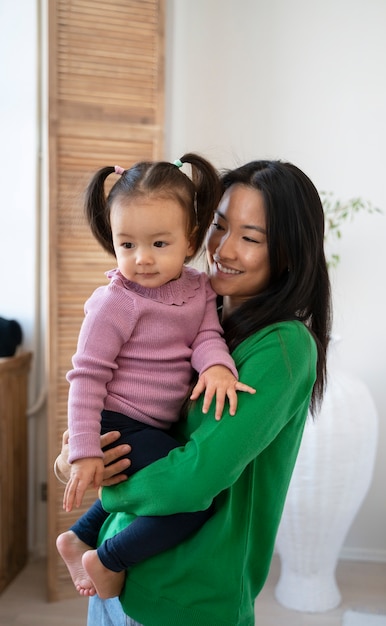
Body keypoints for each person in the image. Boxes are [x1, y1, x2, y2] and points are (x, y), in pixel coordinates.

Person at [55, 157, 332, 626]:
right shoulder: (198, 313)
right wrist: (72, 462)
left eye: (250, 237)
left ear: (288, 250)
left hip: (183, 600)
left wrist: (110, 485)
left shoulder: (283, 346)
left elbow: (193, 481)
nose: (223, 248)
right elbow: (100, 388)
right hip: (117, 576)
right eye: (220, 227)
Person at [56, 153, 255, 598]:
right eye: (127, 245)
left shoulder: (200, 289)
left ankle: (79, 536)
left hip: (152, 423)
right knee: (192, 501)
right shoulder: (114, 303)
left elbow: (205, 336)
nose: (142, 259)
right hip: (119, 421)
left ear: (189, 241)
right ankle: (110, 559)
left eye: (158, 245)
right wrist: (86, 450)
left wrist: (218, 365)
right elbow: (86, 377)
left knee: (167, 485)